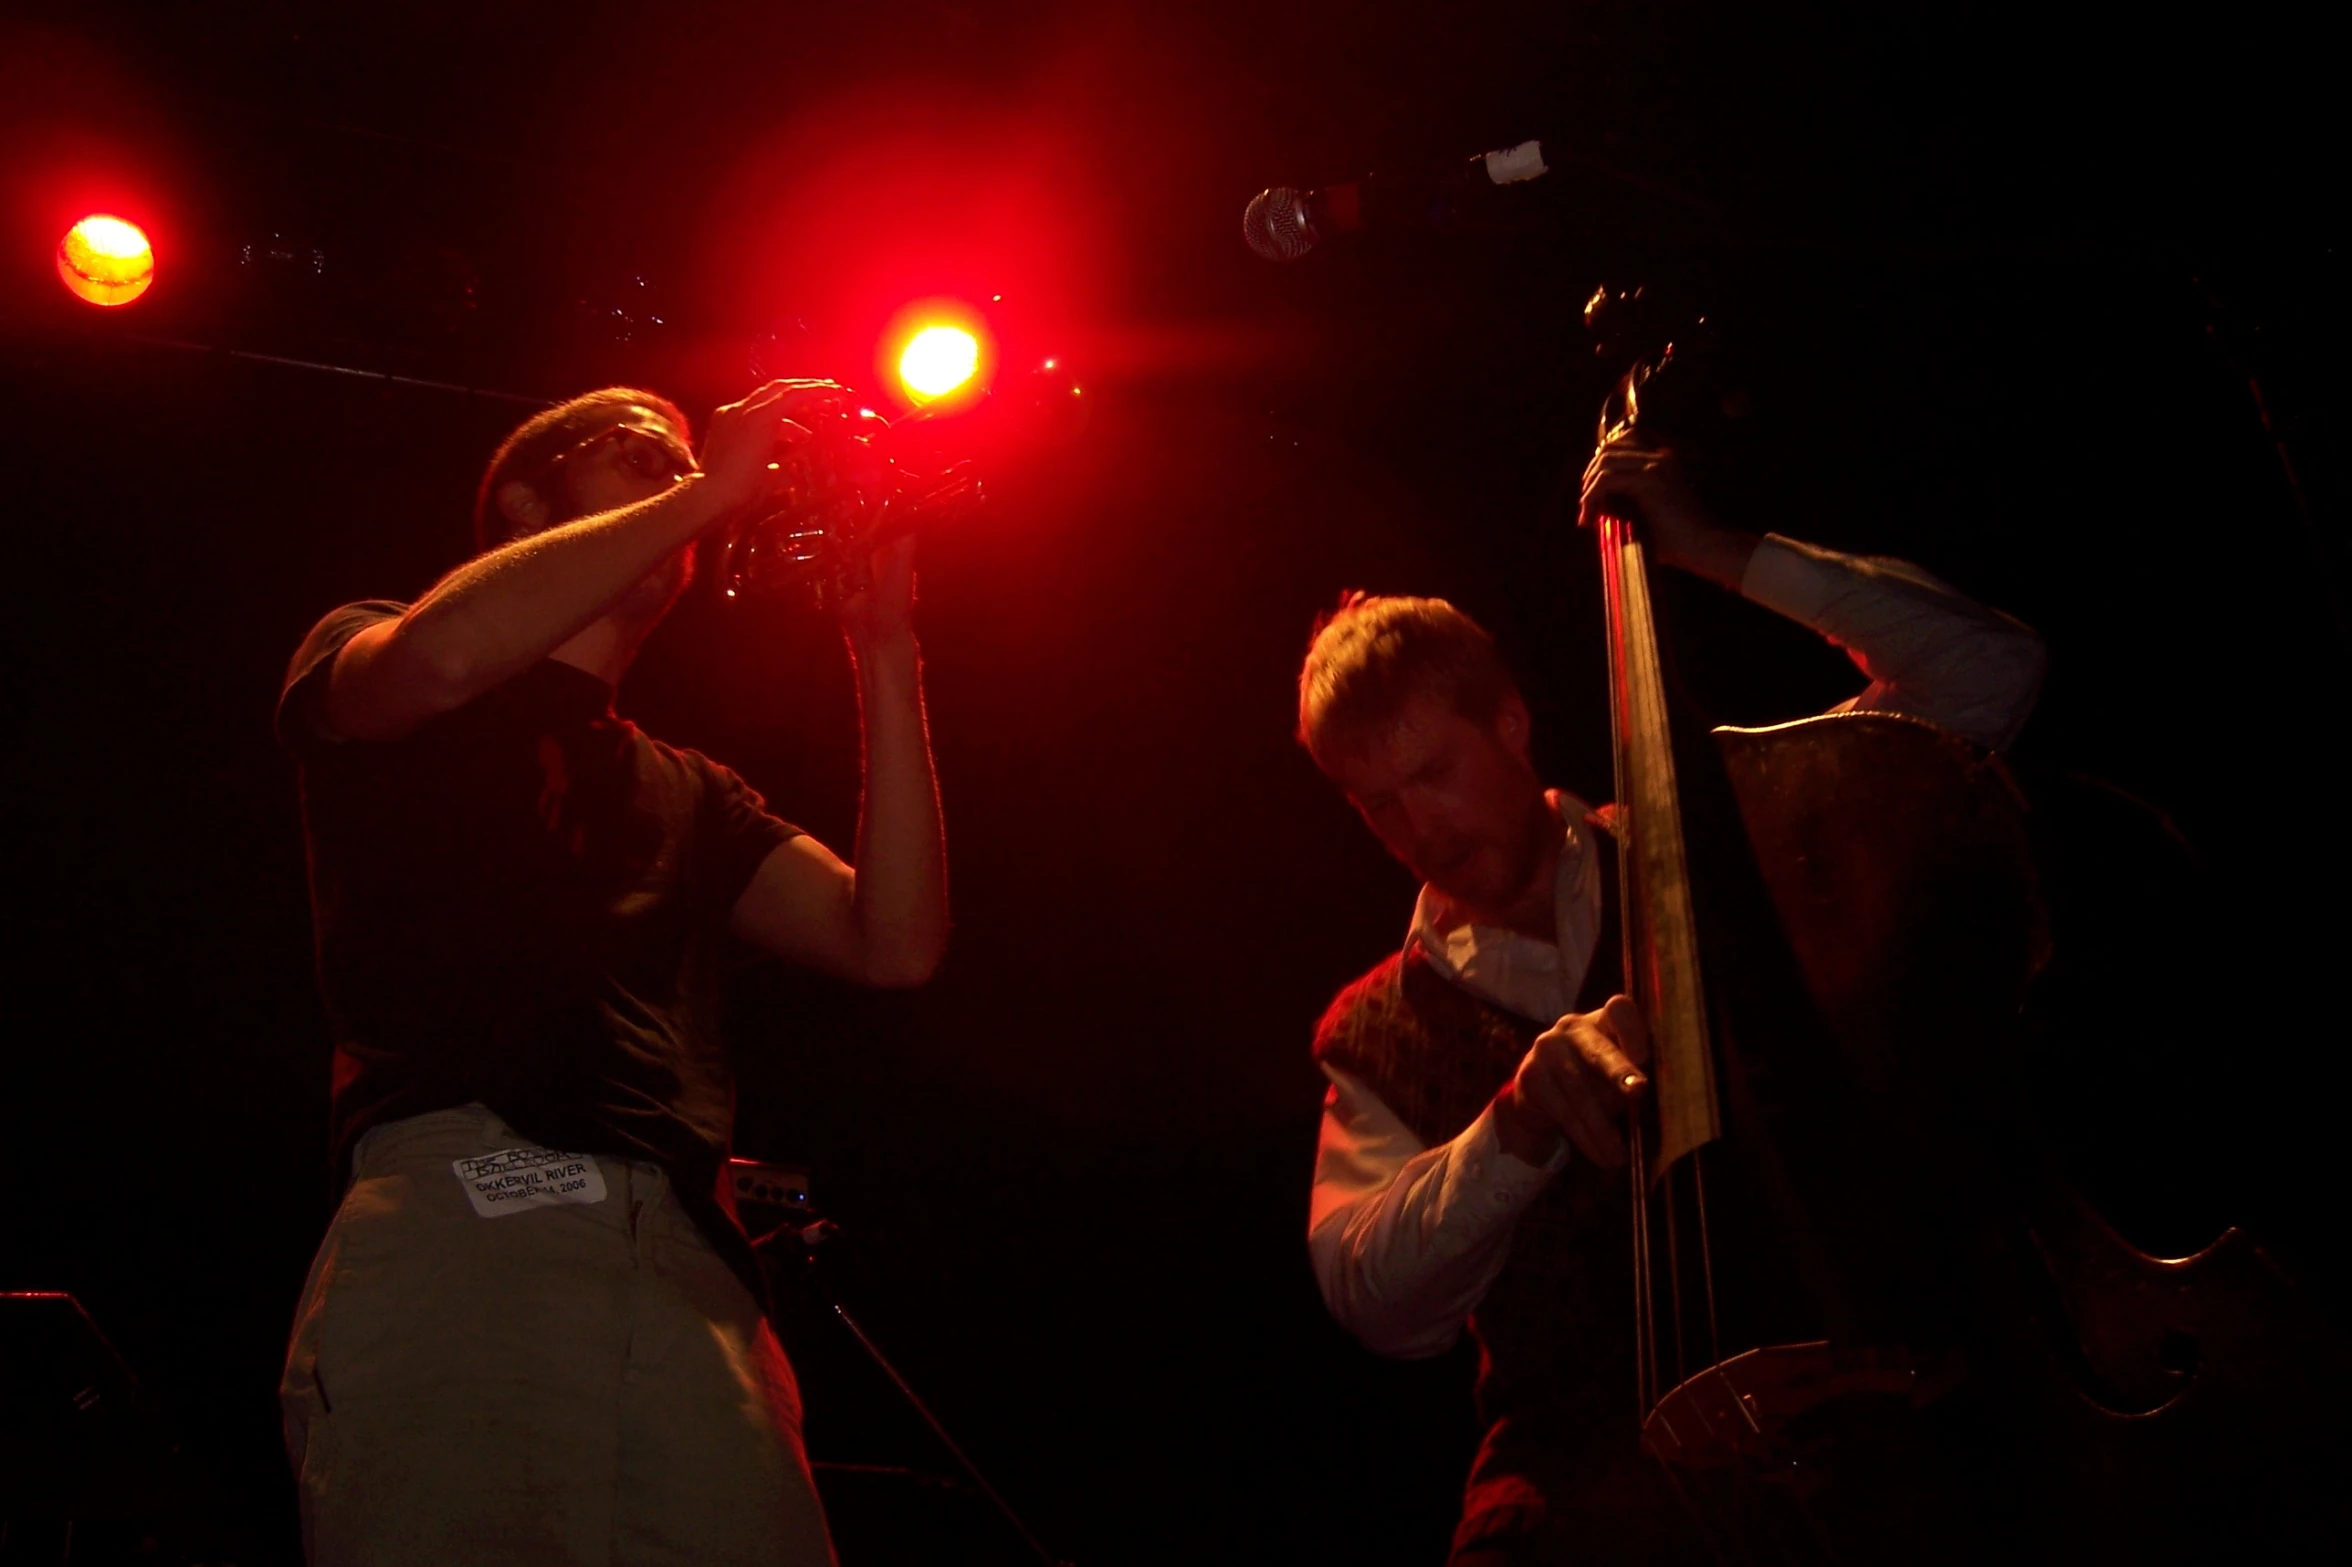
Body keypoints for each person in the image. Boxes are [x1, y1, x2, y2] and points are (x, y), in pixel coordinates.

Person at [1299, 431, 2047, 1566]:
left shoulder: (1722, 833)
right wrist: (1517, 1123)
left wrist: (1717, 553)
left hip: (1872, 1418)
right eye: (1377, 805)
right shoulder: (1372, 1031)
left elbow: (1992, 679)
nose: (1418, 830)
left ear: (1508, 723)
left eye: (1432, 774)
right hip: (1582, 1508)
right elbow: (1372, 1297)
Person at [274, 380, 948, 1567]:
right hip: (463, 1216)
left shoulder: (690, 787)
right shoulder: (379, 638)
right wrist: (712, 486)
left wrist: (884, 646)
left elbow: (891, 940)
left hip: (690, 1271)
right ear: (526, 502)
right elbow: (444, 657)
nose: (677, 468)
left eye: (684, 458)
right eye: (637, 449)